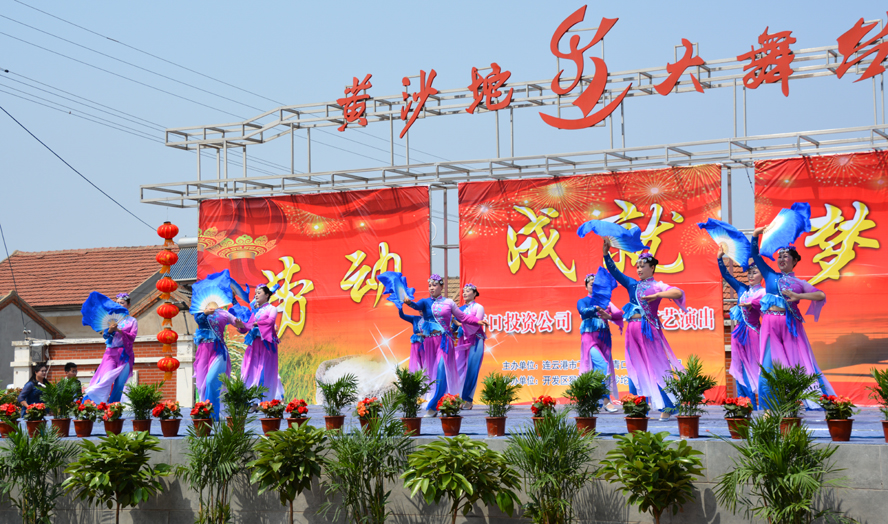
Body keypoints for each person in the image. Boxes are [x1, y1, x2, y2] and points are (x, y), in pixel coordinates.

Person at [751, 228, 834, 409]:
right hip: (770, 325)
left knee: (799, 362)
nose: (781, 259)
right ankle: (770, 406)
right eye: (779, 256)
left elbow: (820, 295)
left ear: (795, 261)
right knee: (769, 364)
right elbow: (755, 255)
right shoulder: (770, 275)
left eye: (786, 256)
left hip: (791, 326)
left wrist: (799, 296)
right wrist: (756, 235)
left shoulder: (800, 283)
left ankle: (813, 400)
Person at [602, 238, 685, 419]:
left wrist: (658, 295)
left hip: (648, 331)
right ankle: (638, 406)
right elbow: (615, 271)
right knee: (634, 367)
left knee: (659, 366)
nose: (639, 269)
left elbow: (678, 293)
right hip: (632, 330)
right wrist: (606, 254)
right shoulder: (632, 284)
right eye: (637, 267)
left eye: (643, 266)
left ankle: (669, 406)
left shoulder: (658, 285)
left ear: (652, 268)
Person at [405, 275, 483, 417]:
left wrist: (477, 322)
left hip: (444, 341)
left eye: (434, 285)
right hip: (429, 342)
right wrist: (409, 303)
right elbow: (416, 306)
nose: (431, 288)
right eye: (430, 285)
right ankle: (442, 401)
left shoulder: (449, 303)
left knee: (442, 370)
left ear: (441, 286)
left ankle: (433, 406)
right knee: (432, 374)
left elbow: (463, 317)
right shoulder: (425, 302)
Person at [717, 247, 764, 409]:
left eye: (755, 273)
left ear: (762, 275)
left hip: (753, 332)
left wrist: (753, 304)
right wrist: (720, 258)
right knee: (739, 367)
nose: (751, 276)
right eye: (749, 273)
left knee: (757, 367)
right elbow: (726, 275)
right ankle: (745, 404)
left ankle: (762, 405)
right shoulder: (742, 289)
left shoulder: (763, 292)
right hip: (738, 333)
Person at [576, 272, 623, 412]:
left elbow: (619, 314)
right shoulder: (583, 300)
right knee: (602, 365)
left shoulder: (606, 301)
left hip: (605, 338)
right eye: (592, 285)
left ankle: (594, 398)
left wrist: (609, 315)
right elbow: (583, 311)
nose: (595, 287)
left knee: (602, 368)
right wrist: (596, 308)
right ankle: (606, 400)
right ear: (586, 287)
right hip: (589, 338)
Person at [83, 293, 138, 404]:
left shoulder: (132, 321)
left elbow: (132, 337)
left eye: (122, 303)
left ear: (128, 305)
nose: (119, 305)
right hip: (110, 353)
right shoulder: (111, 317)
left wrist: (119, 331)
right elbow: (105, 336)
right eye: (117, 303)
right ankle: (90, 401)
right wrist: (110, 330)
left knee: (120, 384)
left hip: (125, 354)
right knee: (105, 378)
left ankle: (113, 407)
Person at [238, 284, 285, 403]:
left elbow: (270, 321)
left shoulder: (271, 309)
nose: (256, 295)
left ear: (267, 295)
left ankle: (265, 401)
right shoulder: (256, 311)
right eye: (255, 293)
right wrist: (241, 327)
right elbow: (247, 325)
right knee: (250, 370)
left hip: (266, 344)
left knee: (264, 372)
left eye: (259, 293)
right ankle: (252, 401)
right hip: (254, 344)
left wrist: (256, 324)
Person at [194, 303, 239, 420]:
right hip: (203, 350)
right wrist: (205, 313)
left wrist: (241, 323)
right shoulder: (200, 311)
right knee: (202, 385)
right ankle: (204, 412)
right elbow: (199, 320)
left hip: (218, 350)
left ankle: (212, 414)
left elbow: (240, 325)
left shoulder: (224, 313)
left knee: (211, 381)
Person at [453, 283, 486, 410]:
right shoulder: (460, 309)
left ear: (474, 293)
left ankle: (468, 399)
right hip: (462, 340)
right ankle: (456, 397)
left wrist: (459, 323)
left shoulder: (479, 307)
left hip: (475, 340)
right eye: (463, 291)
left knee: (472, 369)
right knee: (458, 368)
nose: (465, 293)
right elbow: (453, 326)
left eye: (468, 291)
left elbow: (476, 324)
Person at [398, 306, 425, 374]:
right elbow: (402, 316)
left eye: (422, 309)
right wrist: (400, 308)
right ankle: (416, 376)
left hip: (427, 343)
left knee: (426, 361)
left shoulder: (431, 319)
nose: (420, 311)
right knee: (415, 360)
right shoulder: (415, 318)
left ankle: (427, 377)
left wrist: (424, 334)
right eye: (419, 310)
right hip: (416, 343)